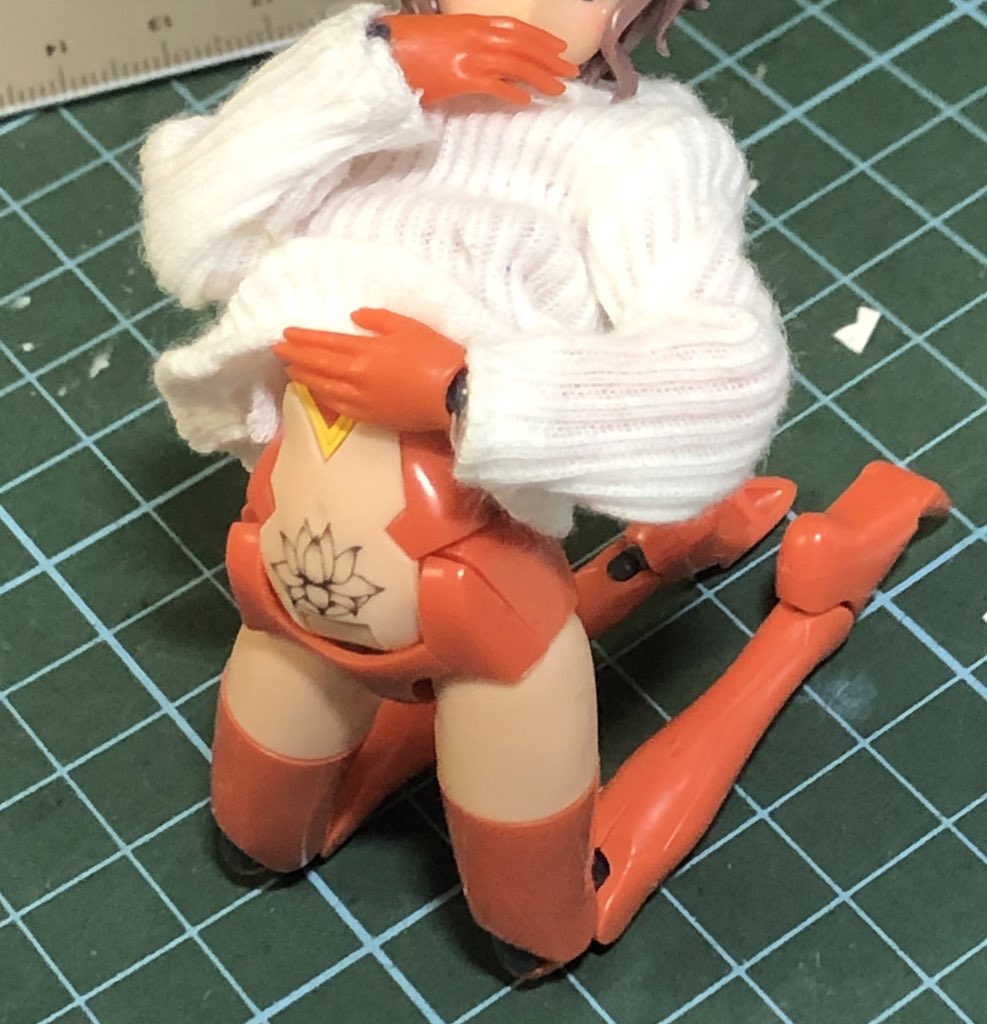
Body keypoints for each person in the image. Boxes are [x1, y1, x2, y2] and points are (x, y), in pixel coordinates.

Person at [141, 0, 796, 976]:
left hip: (484, 606)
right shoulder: (370, 92)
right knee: (257, 833)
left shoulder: (639, 147)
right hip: (284, 580)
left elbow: (728, 374)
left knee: (530, 921)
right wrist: (371, 72)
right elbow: (188, 230)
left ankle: (796, 631)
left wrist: (462, 390)